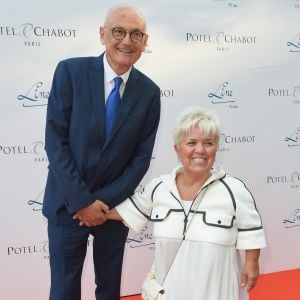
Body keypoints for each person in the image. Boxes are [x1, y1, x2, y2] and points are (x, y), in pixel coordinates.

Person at [42, 4, 160, 300]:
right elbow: (56, 142)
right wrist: (82, 201)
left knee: (109, 290)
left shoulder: (149, 93)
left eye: (136, 34)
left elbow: (140, 159)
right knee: (64, 291)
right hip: (67, 204)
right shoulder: (70, 72)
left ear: (145, 42)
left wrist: (102, 204)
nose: (126, 41)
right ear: (102, 34)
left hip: (113, 209)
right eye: (118, 31)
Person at [103, 106, 267, 300]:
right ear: (177, 149)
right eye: (191, 142)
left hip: (218, 290)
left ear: (216, 148)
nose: (200, 150)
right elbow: (126, 211)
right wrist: (87, 209)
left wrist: (252, 261)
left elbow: (251, 229)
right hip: (172, 290)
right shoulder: (158, 187)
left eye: (208, 143)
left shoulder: (234, 189)